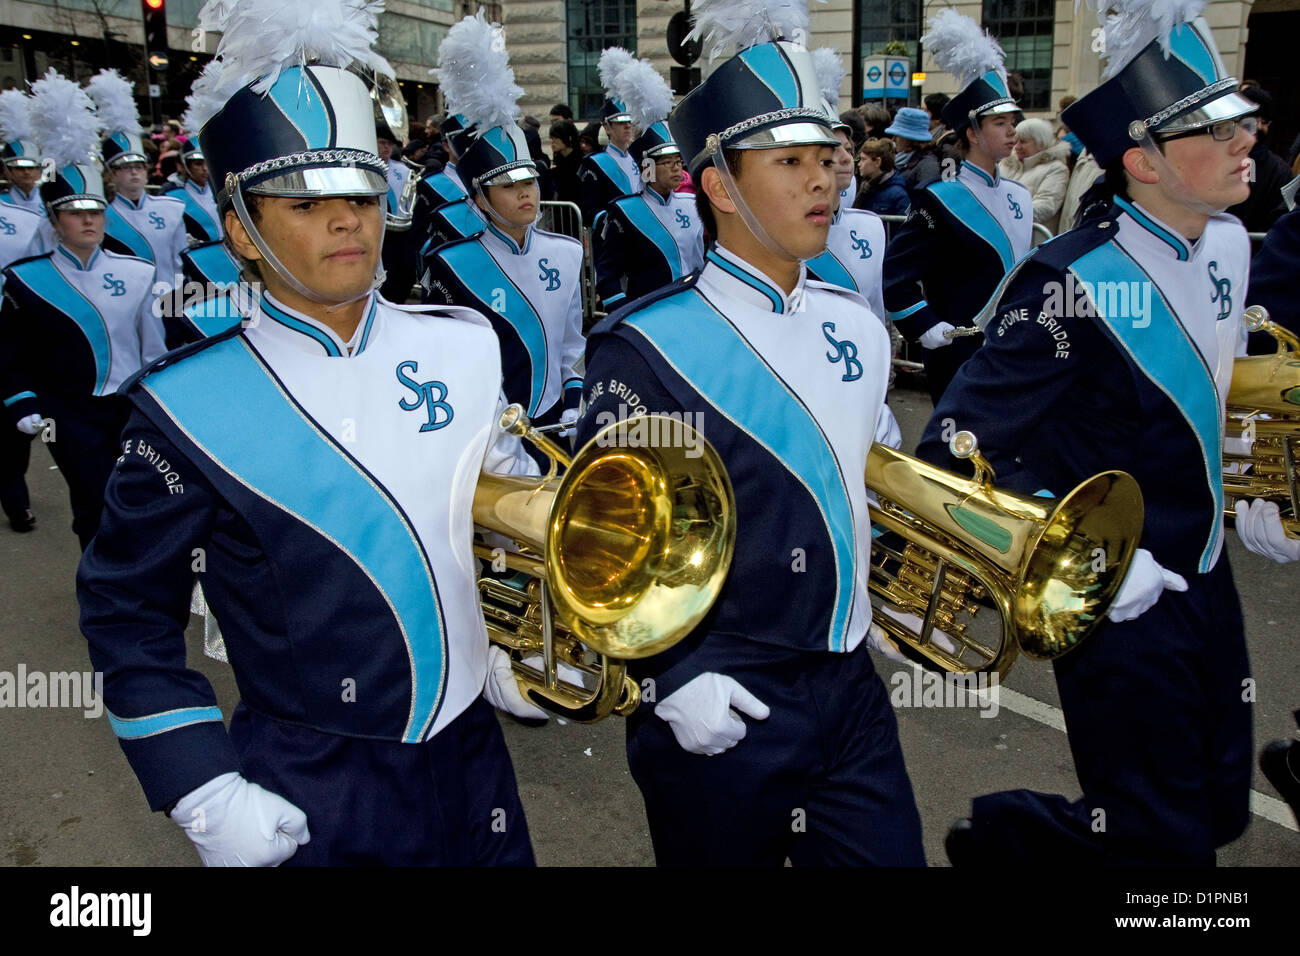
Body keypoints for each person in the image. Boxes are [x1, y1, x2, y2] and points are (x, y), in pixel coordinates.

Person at [77, 0, 545, 867]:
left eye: (362, 193)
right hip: (313, 774)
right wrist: (199, 784)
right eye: (305, 200)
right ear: (239, 232)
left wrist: (515, 647)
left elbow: (499, 520)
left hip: (476, 759)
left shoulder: (468, 343)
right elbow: (125, 609)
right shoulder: (189, 406)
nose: (347, 220)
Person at [921, 5, 1288, 866]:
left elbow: (1211, 393)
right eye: (1218, 126)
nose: (1248, 139)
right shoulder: (1075, 281)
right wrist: (1088, 558)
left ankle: (1013, 839)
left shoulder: (1232, 243)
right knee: (1166, 839)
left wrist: (1259, 481)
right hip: (1118, 594)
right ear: (1142, 161)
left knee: (1217, 808)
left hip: (1204, 570)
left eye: (1245, 121)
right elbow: (957, 447)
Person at [574, 4, 924, 867]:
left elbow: (865, 483)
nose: (824, 182)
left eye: (827, 159)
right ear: (721, 187)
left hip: (849, 686)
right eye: (791, 162)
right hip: (720, 686)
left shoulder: (860, 325)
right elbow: (603, 548)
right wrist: (667, 678)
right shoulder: (646, 343)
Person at [1, 70, 164, 549]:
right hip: (68, 412)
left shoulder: (137, 271)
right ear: (55, 220)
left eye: (95, 210)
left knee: (140, 499)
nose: (89, 220)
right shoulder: (27, 279)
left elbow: (152, 345)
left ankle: (136, 582)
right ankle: (103, 595)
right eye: (75, 212)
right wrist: (22, 401)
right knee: (93, 503)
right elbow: (9, 353)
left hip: (132, 405)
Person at [420, 12, 585, 448]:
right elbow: (449, 362)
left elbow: (571, 345)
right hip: (489, 436)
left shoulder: (566, 253)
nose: (525, 194)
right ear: (479, 198)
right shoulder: (452, 265)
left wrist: (573, 403)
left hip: (556, 423)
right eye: (508, 187)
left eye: (529, 182)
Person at [882, 9, 1031, 405]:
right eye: (1000, 123)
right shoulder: (939, 198)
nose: (1012, 130)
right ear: (972, 133)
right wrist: (926, 325)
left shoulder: (1020, 196)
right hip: (958, 350)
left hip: (1013, 346)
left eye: (1013, 121)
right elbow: (896, 274)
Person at [592, 57, 703, 311]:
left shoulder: (693, 203)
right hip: (649, 311)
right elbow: (608, 274)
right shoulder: (625, 212)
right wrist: (625, 314)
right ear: (648, 168)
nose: (677, 167)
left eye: (679, 160)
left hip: (694, 307)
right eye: (668, 162)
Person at [89, 71, 188, 286]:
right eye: (125, 168)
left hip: (170, 298)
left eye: (139, 167)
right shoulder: (101, 215)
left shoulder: (171, 208)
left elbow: (179, 259)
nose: (134, 172)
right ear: (112, 173)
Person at [576, 50, 642, 228]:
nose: (628, 126)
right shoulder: (594, 164)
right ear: (607, 128)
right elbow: (589, 211)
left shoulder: (640, 157)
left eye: (630, 121)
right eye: (621, 122)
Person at [1225, 86, 1290, 232]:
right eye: (1252, 121)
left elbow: (1279, 216)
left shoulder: (1279, 171)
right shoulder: (1218, 157)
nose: (1259, 127)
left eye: (1265, 122)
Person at [999, 117, 1070, 233]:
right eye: (1015, 141)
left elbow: (1046, 205)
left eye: (1023, 141)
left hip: (1033, 241)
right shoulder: (1007, 164)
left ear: (1041, 143)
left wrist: (1003, 215)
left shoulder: (1056, 169)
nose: (1017, 146)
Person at [163, 139, 222, 244]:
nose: (205, 169)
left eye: (207, 163)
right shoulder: (172, 194)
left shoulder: (219, 187)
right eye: (198, 164)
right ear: (182, 166)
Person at [884, 107, 942, 196]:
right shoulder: (902, 158)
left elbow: (927, 201)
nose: (893, 139)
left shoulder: (927, 165)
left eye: (898, 136)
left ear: (910, 139)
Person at [854, 138, 909, 216]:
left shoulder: (898, 195)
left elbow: (904, 225)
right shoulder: (865, 187)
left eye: (863, 159)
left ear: (877, 162)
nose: (859, 164)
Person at [548, 119, 582, 206]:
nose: (553, 142)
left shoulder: (580, 159)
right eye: (552, 138)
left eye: (556, 138)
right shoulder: (558, 158)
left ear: (569, 138)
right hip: (561, 210)